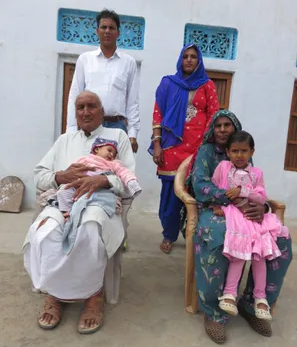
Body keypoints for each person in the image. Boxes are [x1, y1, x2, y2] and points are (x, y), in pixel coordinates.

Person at [23, 90, 135, 334]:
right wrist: (60, 176)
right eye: (80, 107)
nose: (85, 112)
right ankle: (55, 292)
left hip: (100, 203)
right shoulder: (65, 140)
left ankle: (93, 295)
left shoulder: (117, 136)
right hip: (63, 201)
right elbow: (40, 174)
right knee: (46, 230)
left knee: (89, 229)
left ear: (102, 112)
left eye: (91, 106)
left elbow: (128, 181)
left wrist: (103, 181)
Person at [187, 110, 292, 344]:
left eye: (228, 125)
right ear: (212, 130)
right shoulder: (205, 152)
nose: (223, 129)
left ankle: (253, 304)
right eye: (218, 125)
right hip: (212, 208)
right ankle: (215, 312)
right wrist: (232, 198)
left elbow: (254, 187)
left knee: (279, 240)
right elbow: (201, 186)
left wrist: (263, 208)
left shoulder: (242, 151)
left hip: (244, 211)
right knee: (218, 237)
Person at [210, 130, 289, 321]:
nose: (239, 155)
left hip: (253, 215)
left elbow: (261, 196)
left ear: (252, 152)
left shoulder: (256, 173)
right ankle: (229, 294)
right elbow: (215, 187)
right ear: (228, 152)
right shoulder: (223, 167)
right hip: (235, 215)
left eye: (244, 151)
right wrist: (216, 205)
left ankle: (260, 298)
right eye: (235, 151)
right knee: (239, 253)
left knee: (259, 254)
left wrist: (243, 190)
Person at [148, 43, 219, 254]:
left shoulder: (207, 85)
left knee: (195, 194)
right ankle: (168, 234)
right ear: (180, 59)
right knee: (170, 195)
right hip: (171, 147)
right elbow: (158, 114)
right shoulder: (168, 83)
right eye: (186, 56)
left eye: (193, 57)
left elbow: (213, 117)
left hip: (198, 149)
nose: (189, 60)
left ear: (199, 61)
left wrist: (207, 149)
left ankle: (194, 235)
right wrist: (158, 144)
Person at [66, 9, 140, 153]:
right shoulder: (85, 59)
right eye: (103, 27)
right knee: (87, 170)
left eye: (111, 28)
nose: (107, 31)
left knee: (114, 171)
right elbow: (74, 95)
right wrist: (71, 129)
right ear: (97, 31)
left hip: (117, 127)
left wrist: (133, 134)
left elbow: (133, 102)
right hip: (89, 125)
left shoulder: (128, 63)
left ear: (118, 33)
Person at [56, 137, 141, 216]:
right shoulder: (85, 159)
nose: (111, 155)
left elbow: (124, 172)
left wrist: (132, 182)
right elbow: (72, 170)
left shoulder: (112, 164)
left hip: (100, 188)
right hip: (80, 186)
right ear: (97, 149)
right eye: (109, 150)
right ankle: (67, 212)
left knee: (107, 199)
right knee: (64, 191)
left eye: (114, 154)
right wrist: (65, 175)